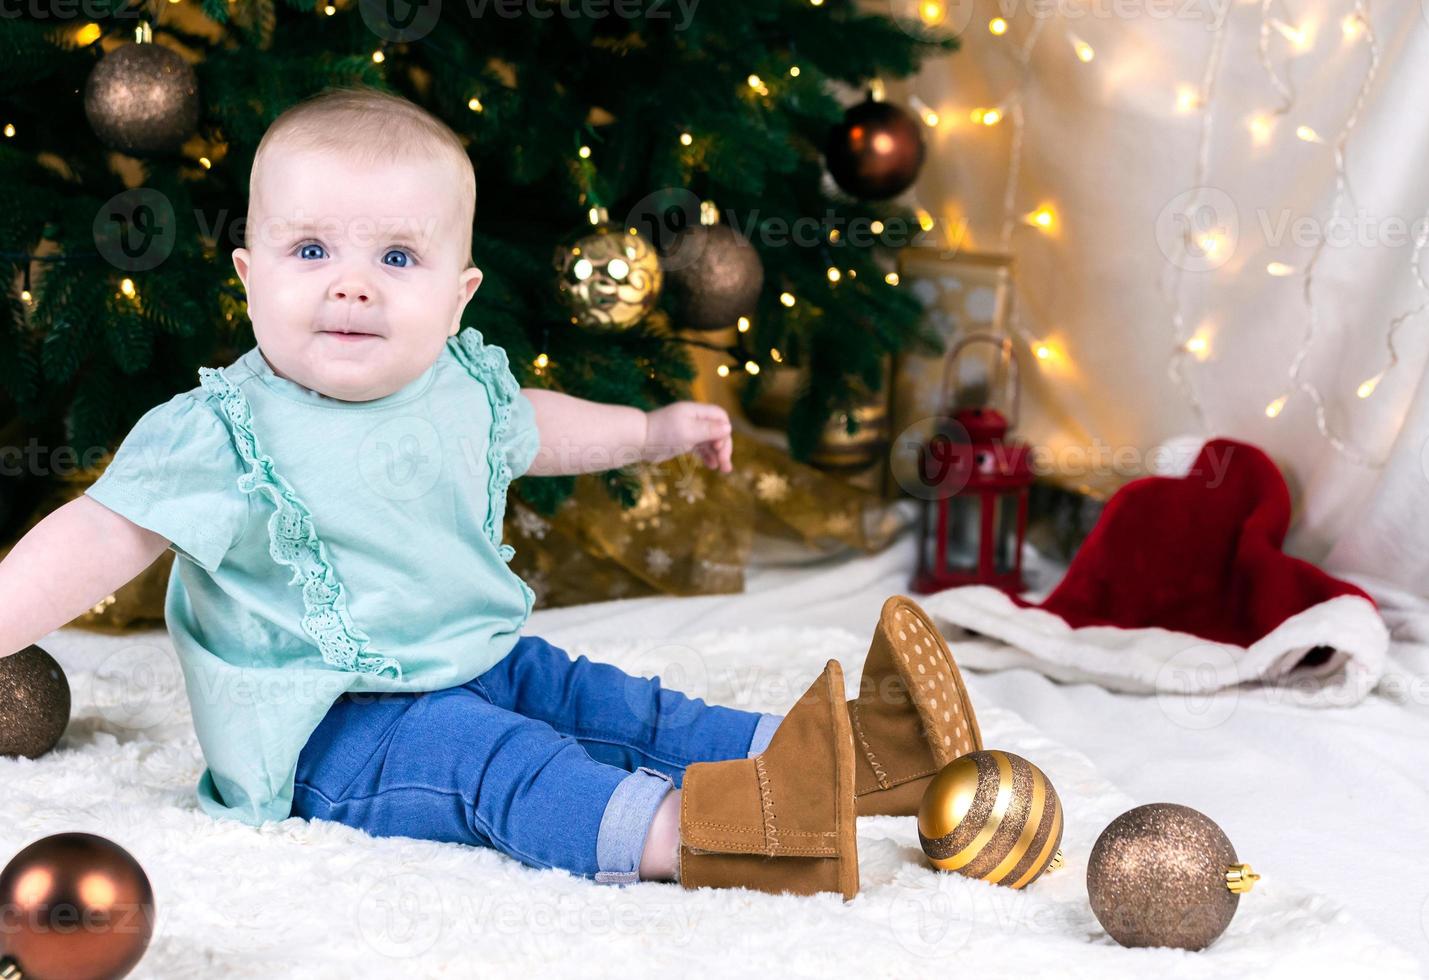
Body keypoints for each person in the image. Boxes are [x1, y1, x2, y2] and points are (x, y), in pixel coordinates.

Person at [0, 86, 982, 900]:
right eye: (311, 252)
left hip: (474, 652)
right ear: (248, 277)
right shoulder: (220, 432)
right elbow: (97, 534)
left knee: (603, 700)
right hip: (332, 724)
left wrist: (646, 431)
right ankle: (722, 832)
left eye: (396, 257)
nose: (352, 286)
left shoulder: (457, 382)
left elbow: (538, 424)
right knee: (501, 764)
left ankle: (846, 752)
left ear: (458, 293)